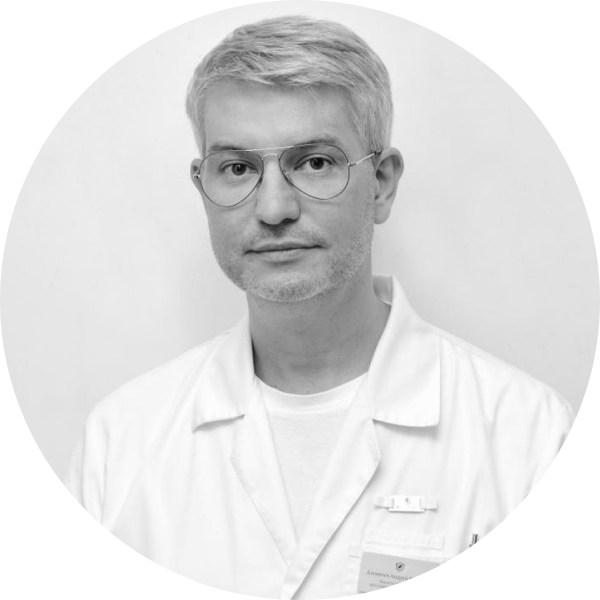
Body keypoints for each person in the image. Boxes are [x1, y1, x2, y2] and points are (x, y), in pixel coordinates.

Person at [64, 15, 574, 599]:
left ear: (381, 183)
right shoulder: (119, 444)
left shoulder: (528, 438)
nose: (274, 208)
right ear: (203, 187)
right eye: (238, 169)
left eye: (315, 162)